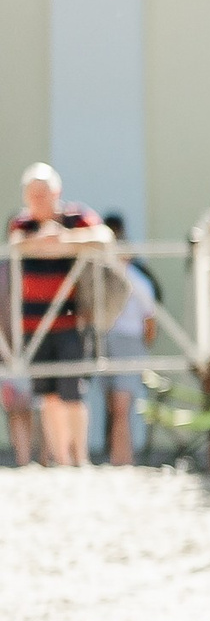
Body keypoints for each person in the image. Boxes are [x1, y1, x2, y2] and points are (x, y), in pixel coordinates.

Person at [8, 163, 112, 466]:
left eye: (43, 193)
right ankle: (61, 458)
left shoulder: (75, 218)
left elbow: (103, 237)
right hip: (33, 323)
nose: (38, 200)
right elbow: (20, 246)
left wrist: (63, 242)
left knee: (73, 392)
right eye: (32, 194)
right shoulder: (22, 224)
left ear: (57, 192)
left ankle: (80, 457)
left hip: (70, 321)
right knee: (48, 395)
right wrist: (45, 243)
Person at [95, 212, 157, 466]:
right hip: (108, 340)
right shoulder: (103, 278)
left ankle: (123, 459)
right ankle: (118, 457)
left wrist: (143, 347)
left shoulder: (138, 281)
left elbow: (149, 318)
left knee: (121, 406)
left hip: (129, 342)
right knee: (114, 406)